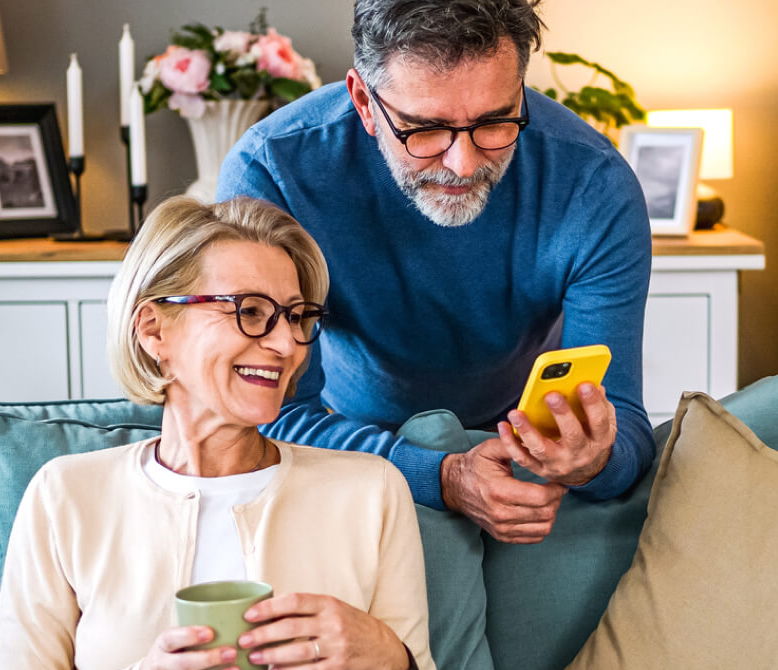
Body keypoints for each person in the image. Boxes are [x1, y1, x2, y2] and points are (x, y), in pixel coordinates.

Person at [0, 197, 450, 670]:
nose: (285, 344)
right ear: (154, 330)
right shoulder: (68, 494)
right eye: (249, 311)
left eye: (296, 317)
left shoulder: (369, 491)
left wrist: (386, 661)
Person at [217, 0, 655, 545]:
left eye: (495, 122)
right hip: (349, 440)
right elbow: (268, 414)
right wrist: (441, 476)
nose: (463, 164)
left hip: (525, 451)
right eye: (425, 130)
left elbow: (628, 426)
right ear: (364, 102)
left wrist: (592, 460)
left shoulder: (595, 185)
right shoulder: (274, 172)